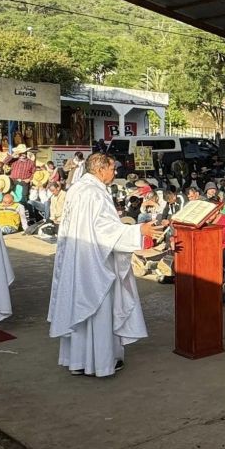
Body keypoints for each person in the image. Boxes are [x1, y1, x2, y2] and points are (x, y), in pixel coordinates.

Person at [47, 153, 161, 377]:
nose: (115, 173)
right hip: (95, 262)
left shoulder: (78, 189)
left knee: (80, 308)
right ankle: (100, 362)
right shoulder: (94, 193)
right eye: (112, 169)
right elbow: (104, 230)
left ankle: (78, 361)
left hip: (78, 258)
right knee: (98, 308)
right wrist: (138, 230)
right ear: (100, 170)